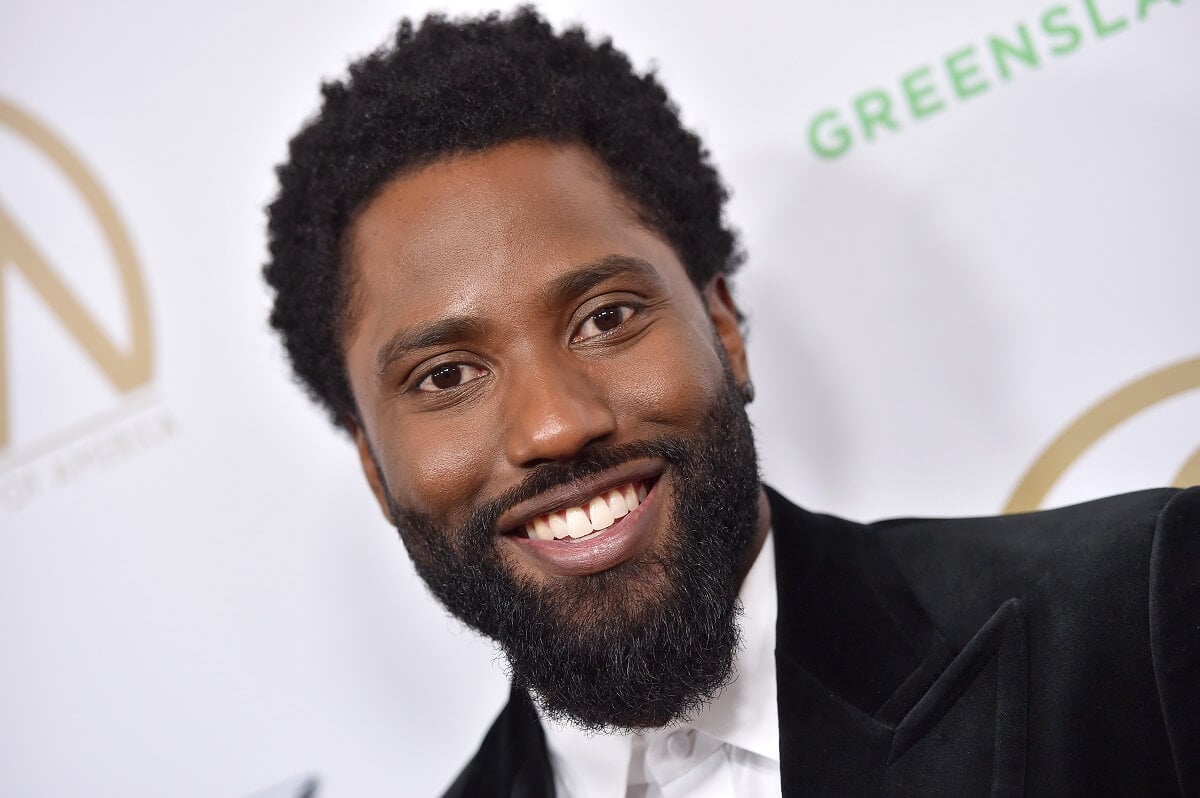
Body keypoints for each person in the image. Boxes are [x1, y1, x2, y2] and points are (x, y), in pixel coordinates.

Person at [262, 8, 1198, 796]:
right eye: (445, 377)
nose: (555, 423)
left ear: (725, 328)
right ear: (374, 470)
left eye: (607, 315)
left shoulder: (1139, 618)